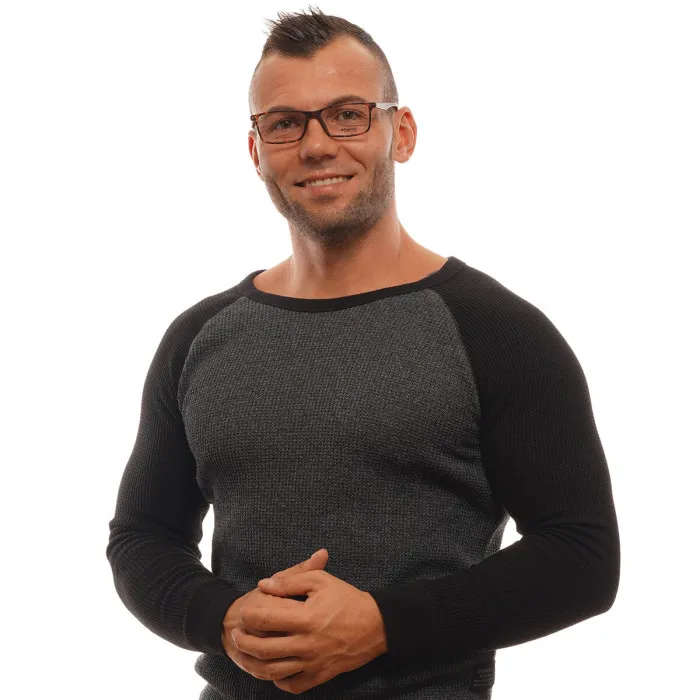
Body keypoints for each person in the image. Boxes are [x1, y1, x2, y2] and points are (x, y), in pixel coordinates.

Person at [106, 6, 620, 700]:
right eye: (285, 123)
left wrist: (383, 625)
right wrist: (221, 618)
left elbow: (582, 556)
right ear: (256, 151)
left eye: (347, 115)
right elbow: (142, 537)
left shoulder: (498, 332)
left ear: (399, 133)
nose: (316, 146)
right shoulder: (198, 337)